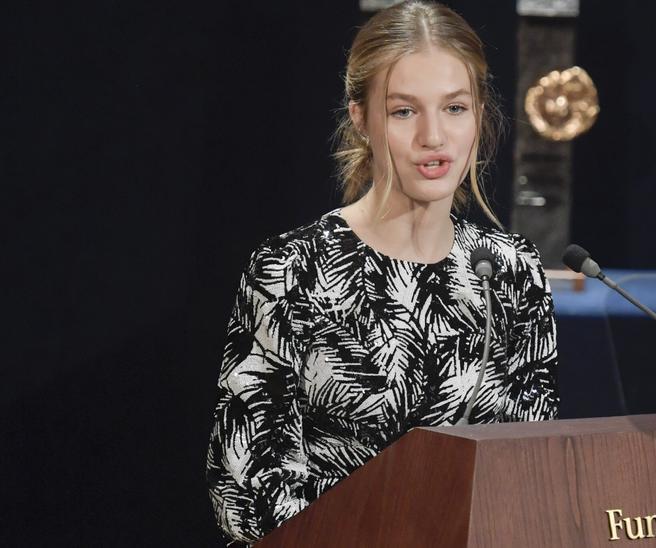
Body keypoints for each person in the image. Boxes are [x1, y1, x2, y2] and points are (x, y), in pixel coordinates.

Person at [204, 2, 559, 543]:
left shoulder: (512, 272)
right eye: (404, 112)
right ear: (360, 117)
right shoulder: (291, 270)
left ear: (480, 114)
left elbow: (533, 476)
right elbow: (245, 494)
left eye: (455, 108)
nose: (434, 137)